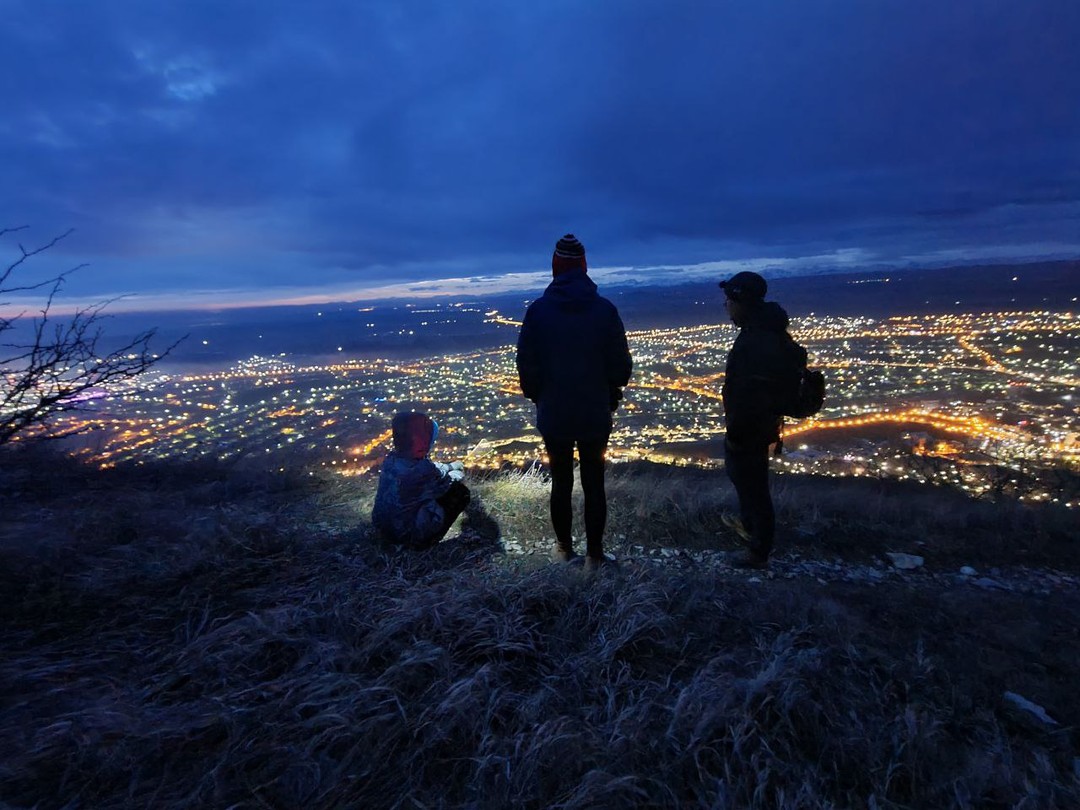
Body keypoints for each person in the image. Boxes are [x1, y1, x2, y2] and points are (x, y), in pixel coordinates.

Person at [516, 234, 632, 570]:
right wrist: (609, 393)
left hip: (555, 412)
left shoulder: (538, 312)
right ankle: (595, 555)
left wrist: (541, 397)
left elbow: (527, 366)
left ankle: (564, 550)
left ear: (555, 267)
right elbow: (621, 365)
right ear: (584, 267)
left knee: (561, 481)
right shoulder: (605, 310)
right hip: (595, 410)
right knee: (594, 482)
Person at [718, 270, 793, 569]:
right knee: (750, 483)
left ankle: (757, 550)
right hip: (760, 422)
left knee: (753, 487)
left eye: (729, 301)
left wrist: (738, 429)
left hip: (750, 425)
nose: (727, 308)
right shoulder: (766, 331)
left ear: (741, 302)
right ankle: (753, 536)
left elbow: (749, 389)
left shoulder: (755, 340)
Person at [371, 411, 470, 549]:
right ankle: (426, 543)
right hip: (406, 537)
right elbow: (444, 484)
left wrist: (449, 466)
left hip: (384, 530)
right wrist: (456, 473)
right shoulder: (422, 471)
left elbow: (433, 469)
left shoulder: (391, 460)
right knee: (460, 492)